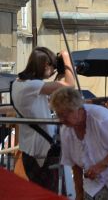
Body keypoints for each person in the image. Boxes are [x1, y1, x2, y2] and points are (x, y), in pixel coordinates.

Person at [11, 47, 74, 192]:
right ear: (45, 65)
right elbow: (70, 87)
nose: (53, 71)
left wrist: (60, 75)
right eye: (52, 66)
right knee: (53, 194)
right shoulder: (32, 86)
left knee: (41, 193)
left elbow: (53, 94)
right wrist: (66, 59)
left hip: (32, 150)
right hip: (42, 152)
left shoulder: (18, 83)